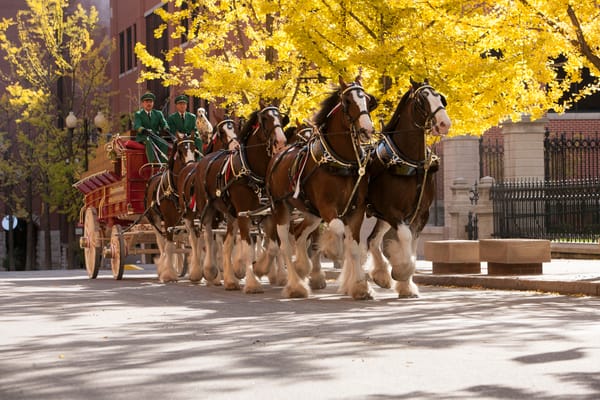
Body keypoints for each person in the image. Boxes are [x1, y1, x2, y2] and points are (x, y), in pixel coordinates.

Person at [133, 92, 171, 163]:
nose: (149, 104)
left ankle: (164, 163)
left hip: (155, 136)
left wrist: (166, 127)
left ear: (153, 103)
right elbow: (137, 125)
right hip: (143, 137)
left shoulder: (158, 113)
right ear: (143, 104)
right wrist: (143, 130)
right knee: (148, 140)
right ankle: (153, 162)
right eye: (146, 102)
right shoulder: (138, 114)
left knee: (163, 142)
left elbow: (164, 123)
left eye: (150, 101)